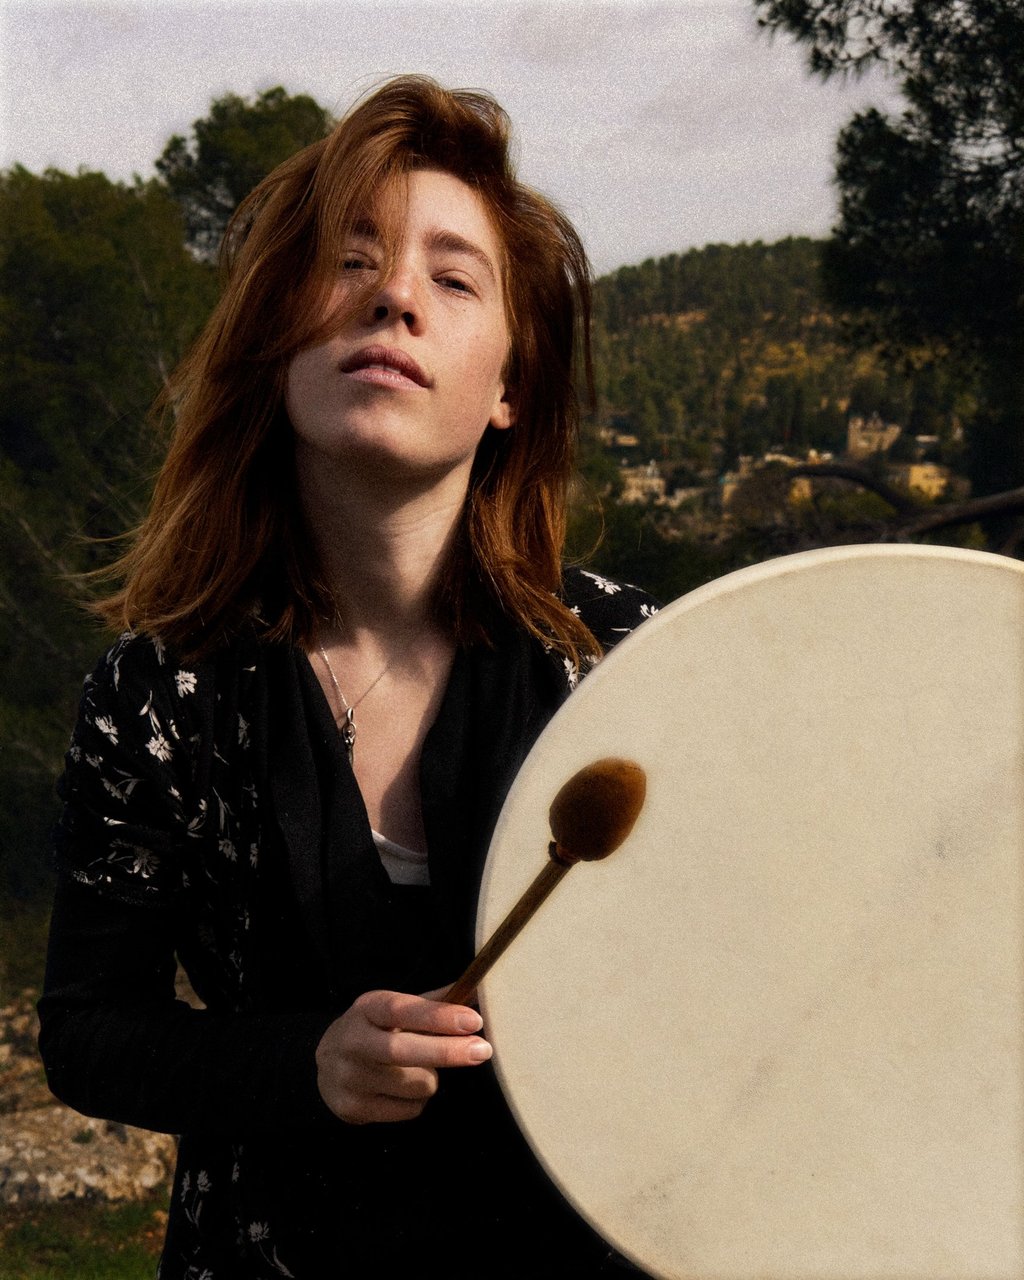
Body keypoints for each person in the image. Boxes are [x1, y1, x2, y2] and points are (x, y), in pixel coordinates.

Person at [38, 75, 657, 1277]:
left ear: (511, 388)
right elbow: (89, 1027)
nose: (394, 295)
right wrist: (302, 1062)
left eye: (454, 278)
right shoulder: (157, 692)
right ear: (277, 341)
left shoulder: (619, 658)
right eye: (350, 261)